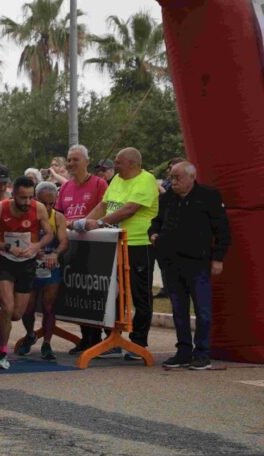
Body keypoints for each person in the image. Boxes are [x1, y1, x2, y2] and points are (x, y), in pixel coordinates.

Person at [149, 161, 230, 370]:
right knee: (179, 309)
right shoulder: (166, 198)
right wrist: (154, 235)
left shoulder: (208, 197)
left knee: (202, 310)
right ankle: (183, 351)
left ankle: (202, 352)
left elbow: (222, 230)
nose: (173, 181)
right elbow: (156, 222)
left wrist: (218, 258)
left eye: (178, 178)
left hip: (198, 262)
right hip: (171, 262)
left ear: (192, 177)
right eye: (171, 177)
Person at [81, 147, 159, 359]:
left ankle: (138, 341)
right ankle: (113, 337)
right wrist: (83, 222)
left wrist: (97, 223)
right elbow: (104, 204)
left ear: (132, 163)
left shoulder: (146, 180)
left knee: (140, 293)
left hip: (138, 243)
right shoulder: (116, 180)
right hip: (113, 242)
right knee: (112, 293)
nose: (114, 166)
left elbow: (128, 209)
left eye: (118, 162)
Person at [0, 176, 53, 370]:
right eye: (23, 198)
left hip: (27, 264)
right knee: (7, 306)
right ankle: (3, 352)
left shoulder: (38, 209)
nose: (27, 202)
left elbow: (49, 234)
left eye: (30, 197)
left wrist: (36, 246)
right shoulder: (1, 208)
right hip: (5, 261)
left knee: (16, 314)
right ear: (13, 195)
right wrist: (6, 247)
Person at [55, 144, 108, 354]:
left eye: (75, 159)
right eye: (69, 160)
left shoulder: (99, 184)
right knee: (77, 291)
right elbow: (59, 214)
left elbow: (106, 209)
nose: (71, 164)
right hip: (71, 247)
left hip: (95, 248)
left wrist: (85, 222)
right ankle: (86, 338)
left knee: (93, 292)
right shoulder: (66, 187)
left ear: (87, 161)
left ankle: (97, 338)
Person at [18, 182, 68, 360]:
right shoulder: (26, 214)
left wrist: (55, 253)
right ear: (35, 200)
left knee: (49, 306)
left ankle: (47, 343)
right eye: (44, 203)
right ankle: (30, 334)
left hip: (49, 266)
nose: (47, 207)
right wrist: (31, 250)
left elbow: (63, 241)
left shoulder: (58, 217)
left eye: (51, 204)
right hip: (29, 264)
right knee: (27, 307)